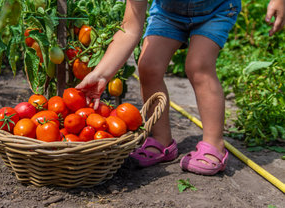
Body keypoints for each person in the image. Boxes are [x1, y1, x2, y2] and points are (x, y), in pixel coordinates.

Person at [76, 0, 284, 175]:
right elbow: (129, 29)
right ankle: (161, 140)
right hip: (168, 14)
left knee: (198, 65)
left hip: (216, 10)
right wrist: (101, 73)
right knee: (148, 66)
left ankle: (214, 144)